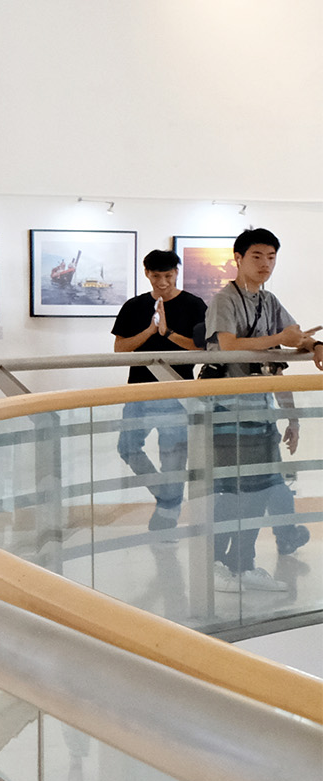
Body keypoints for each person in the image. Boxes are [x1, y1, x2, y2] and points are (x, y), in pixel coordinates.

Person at [205, 228, 313, 594]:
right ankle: (220, 563)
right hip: (227, 411)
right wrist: (281, 340)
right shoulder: (224, 300)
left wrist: (314, 345)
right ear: (238, 258)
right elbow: (230, 346)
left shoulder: (269, 300)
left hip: (260, 413)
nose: (265, 264)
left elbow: (288, 344)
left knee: (261, 491)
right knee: (234, 494)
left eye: (271, 257)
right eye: (257, 256)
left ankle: (240, 563)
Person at [112, 249, 206, 532]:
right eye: (156, 276)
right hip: (139, 392)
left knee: (173, 457)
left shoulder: (194, 305)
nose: (163, 282)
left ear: (177, 273)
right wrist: (151, 332)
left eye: (168, 275)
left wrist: (168, 334)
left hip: (177, 394)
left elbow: (201, 349)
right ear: (147, 274)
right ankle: (168, 498)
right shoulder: (134, 306)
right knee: (127, 448)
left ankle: (167, 515)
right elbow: (120, 349)